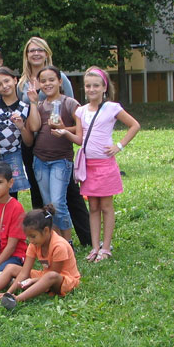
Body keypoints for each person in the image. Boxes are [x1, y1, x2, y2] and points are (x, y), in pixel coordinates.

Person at [17, 36, 91, 246]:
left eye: (40, 50)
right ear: (27, 55)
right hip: (34, 142)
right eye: (32, 50)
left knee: (67, 195)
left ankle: (82, 238)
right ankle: (48, 238)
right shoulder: (22, 82)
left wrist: (65, 131)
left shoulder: (61, 79)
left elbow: (73, 113)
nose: (36, 54)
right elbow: (24, 113)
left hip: (60, 145)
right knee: (42, 195)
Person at [67, 67, 140, 262]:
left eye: (96, 86)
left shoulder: (112, 108)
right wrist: (65, 133)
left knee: (106, 206)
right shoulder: (80, 111)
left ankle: (106, 247)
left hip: (105, 165)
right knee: (93, 206)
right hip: (88, 166)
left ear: (104, 88)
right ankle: (95, 246)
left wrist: (119, 146)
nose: (92, 89)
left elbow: (134, 125)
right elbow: (81, 139)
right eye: (88, 86)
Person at [0, 205, 80, 310]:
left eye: (33, 236)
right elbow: (24, 272)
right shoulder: (34, 244)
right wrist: (8, 293)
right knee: (11, 267)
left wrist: (33, 280)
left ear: (46, 231)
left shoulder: (59, 246)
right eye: (28, 237)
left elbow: (54, 275)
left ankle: (17, 299)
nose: (31, 240)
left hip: (64, 280)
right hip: (44, 276)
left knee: (50, 275)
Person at [28, 66, 80, 250]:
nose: (48, 84)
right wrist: (33, 103)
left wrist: (64, 129)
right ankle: (56, 243)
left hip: (61, 160)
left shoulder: (70, 103)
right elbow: (34, 128)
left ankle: (68, 242)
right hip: (40, 160)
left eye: (52, 80)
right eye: (43, 81)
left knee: (58, 203)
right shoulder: (40, 105)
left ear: (60, 81)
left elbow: (82, 130)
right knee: (49, 206)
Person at [0, 67, 36, 199]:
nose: (4, 86)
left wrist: (21, 127)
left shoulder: (25, 107)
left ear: (15, 80)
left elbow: (29, 142)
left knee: (11, 193)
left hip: (13, 155)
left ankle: (10, 219)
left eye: (7, 81)